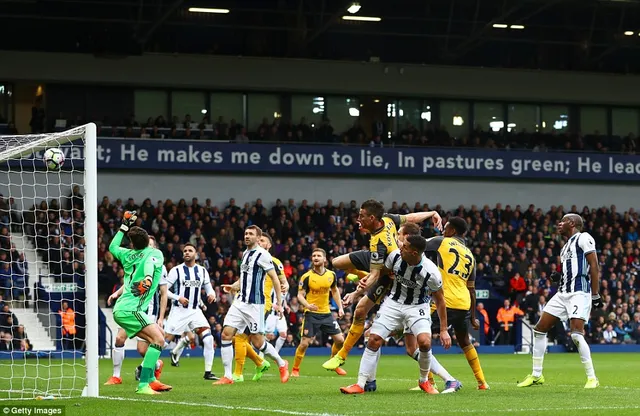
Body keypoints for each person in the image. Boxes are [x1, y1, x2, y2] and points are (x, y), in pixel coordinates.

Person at [323, 200, 442, 372]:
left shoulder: (379, 244)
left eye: (362, 217)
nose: (358, 220)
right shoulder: (388, 219)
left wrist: (355, 294)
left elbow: (375, 275)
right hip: (376, 260)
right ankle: (360, 276)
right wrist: (431, 213)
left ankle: (342, 355)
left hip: (387, 272)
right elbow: (411, 217)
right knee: (336, 262)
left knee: (360, 310)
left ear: (372, 218)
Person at [340, 235, 451, 394]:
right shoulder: (395, 257)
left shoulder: (431, 272)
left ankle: (424, 381)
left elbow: (440, 301)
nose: (400, 248)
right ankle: (360, 383)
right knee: (374, 339)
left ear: (414, 253)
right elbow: (381, 275)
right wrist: (357, 292)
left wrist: (443, 329)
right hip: (393, 303)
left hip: (417, 306)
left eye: (405, 246)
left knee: (425, 342)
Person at [518, 213, 601, 389]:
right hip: (562, 293)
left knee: (577, 335)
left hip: (579, 292)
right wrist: (559, 276)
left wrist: (595, 295)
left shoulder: (584, 237)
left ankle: (592, 377)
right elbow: (570, 270)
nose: (559, 224)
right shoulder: (564, 248)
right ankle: (536, 375)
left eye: (562, 221)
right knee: (539, 330)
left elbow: (593, 265)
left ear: (572, 223)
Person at [214, 225, 289, 385]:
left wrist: (279, 303)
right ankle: (228, 376)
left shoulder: (263, 255)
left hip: (255, 305)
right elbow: (245, 278)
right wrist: (234, 286)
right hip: (240, 302)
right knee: (226, 334)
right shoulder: (246, 253)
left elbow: (275, 279)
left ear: (257, 237)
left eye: (251, 234)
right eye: (246, 233)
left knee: (258, 342)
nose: (247, 236)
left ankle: (281, 364)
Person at [108, 211, 171, 394]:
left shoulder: (127, 255)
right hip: (131, 309)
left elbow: (112, 246)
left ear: (132, 244)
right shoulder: (155, 253)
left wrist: (123, 226)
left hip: (124, 308)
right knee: (159, 339)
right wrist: (149, 279)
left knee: (156, 338)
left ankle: (151, 379)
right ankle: (144, 385)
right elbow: (150, 265)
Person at [424, 217, 490, 390]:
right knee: (464, 340)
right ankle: (482, 382)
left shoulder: (443, 242)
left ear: (452, 231)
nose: (443, 231)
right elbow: (472, 289)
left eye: (445, 228)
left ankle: (428, 382)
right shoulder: (470, 255)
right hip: (463, 303)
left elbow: (417, 244)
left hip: (444, 301)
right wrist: (474, 316)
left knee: (419, 337)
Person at [163, 243, 219, 380]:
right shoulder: (176, 271)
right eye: (185, 251)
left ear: (196, 254)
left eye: (190, 250)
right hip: (179, 311)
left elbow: (208, 287)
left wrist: (212, 294)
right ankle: (143, 367)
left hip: (195, 311)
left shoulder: (202, 271)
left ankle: (208, 372)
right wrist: (178, 298)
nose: (187, 252)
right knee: (163, 342)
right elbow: (164, 290)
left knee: (208, 338)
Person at [293, 248, 345, 377]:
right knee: (304, 343)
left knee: (340, 340)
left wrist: (340, 307)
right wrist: (307, 305)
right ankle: (295, 369)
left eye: (318, 256)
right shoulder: (306, 277)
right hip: (311, 314)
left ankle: (333, 363)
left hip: (326, 313)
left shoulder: (331, 275)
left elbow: (334, 291)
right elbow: (300, 295)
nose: (316, 257)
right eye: (314, 255)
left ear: (324, 259)